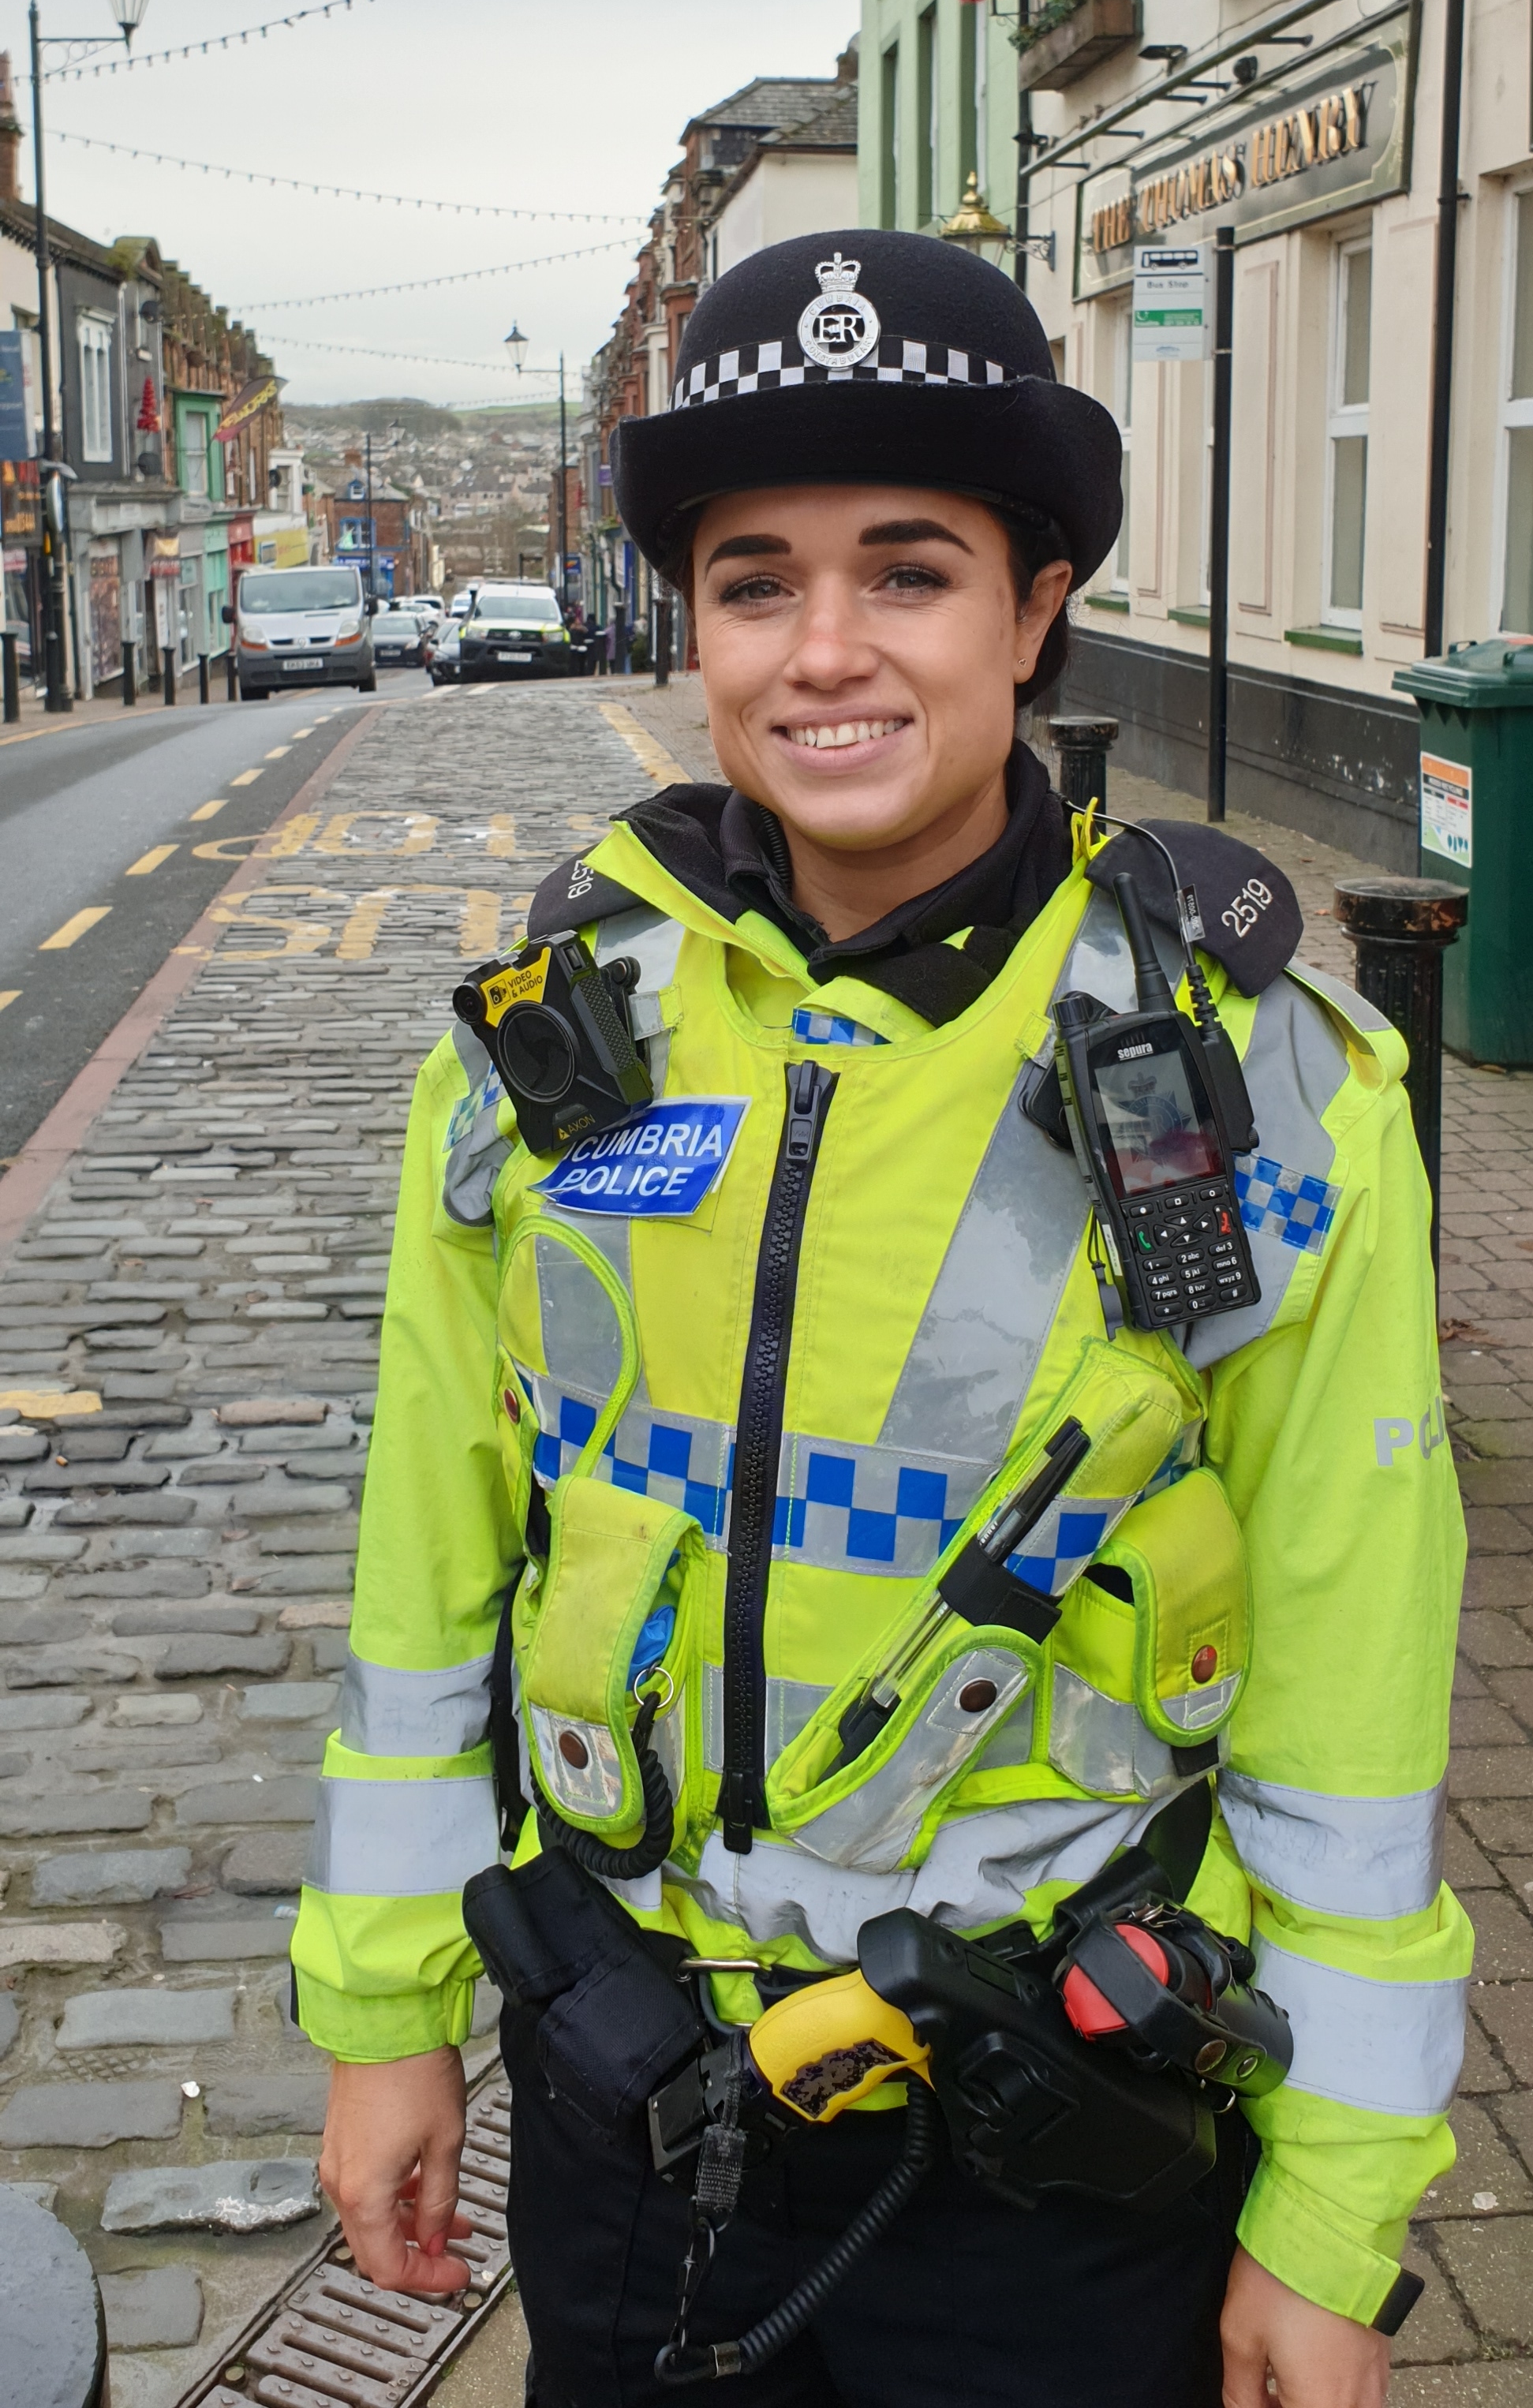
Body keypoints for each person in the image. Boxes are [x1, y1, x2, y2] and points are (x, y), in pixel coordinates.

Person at [299, 234, 1468, 2408]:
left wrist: (1331, 2215)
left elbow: (1356, 1696)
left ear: (1035, 612)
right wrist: (382, 2020)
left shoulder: (1267, 1082)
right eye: (756, 582)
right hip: (625, 2114)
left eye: (909, 572)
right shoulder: (547, 1052)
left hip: (1054, 2159)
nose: (825, 650)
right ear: (694, 625)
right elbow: (424, 1589)